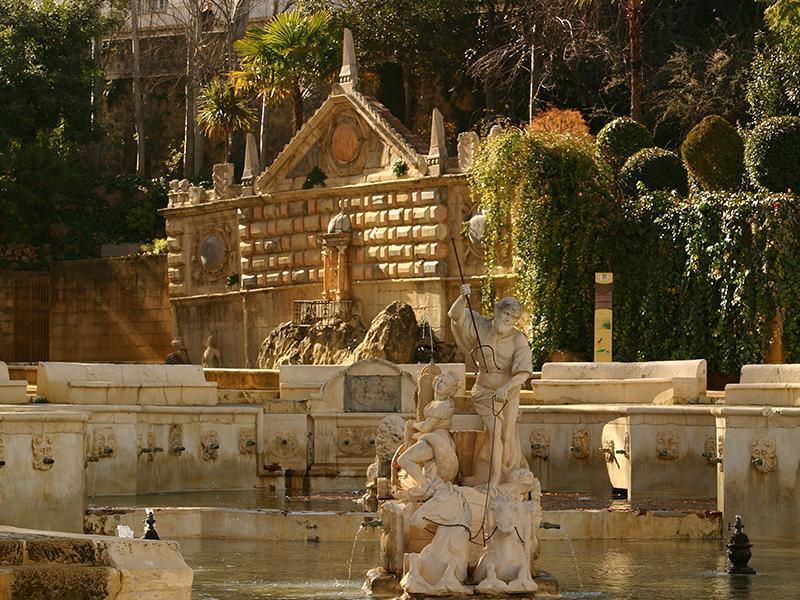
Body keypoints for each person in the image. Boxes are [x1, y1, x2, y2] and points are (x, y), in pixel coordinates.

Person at [448, 285, 532, 490]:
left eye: (514, 318)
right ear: (497, 311)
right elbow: (455, 315)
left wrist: (506, 387)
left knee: (507, 435)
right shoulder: (480, 325)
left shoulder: (518, 339)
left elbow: (523, 373)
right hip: (484, 390)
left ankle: (498, 473)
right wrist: (462, 297)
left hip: (509, 391)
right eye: (506, 314)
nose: (509, 320)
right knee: (495, 431)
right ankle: (492, 481)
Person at [395, 371, 460, 499]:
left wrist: (412, 424)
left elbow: (426, 427)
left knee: (403, 460)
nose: (440, 384)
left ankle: (424, 486)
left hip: (436, 439)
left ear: (451, 390)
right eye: (440, 380)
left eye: (446, 384)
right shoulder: (436, 402)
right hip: (432, 436)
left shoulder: (442, 405)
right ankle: (424, 485)